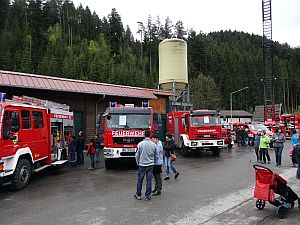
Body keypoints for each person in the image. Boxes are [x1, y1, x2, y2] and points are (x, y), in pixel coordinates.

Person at [134, 130, 157, 200]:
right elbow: (156, 156)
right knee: (149, 180)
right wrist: (153, 162)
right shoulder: (154, 145)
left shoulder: (140, 144)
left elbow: (137, 155)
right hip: (150, 165)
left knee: (140, 180)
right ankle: (148, 195)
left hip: (142, 165)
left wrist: (138, 162)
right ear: (150, 135)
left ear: (144, 135)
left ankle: (138, 195)